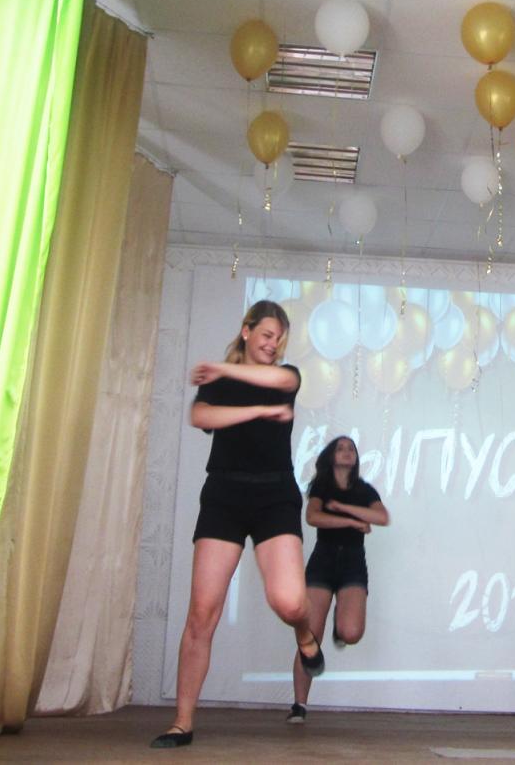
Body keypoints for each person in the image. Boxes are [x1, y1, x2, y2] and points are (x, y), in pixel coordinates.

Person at [151, 300, 325, 749]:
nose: (273, 344)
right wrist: (255, 412)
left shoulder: (284, 376)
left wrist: (224, 370)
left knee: (289, 602)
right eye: (266, 335)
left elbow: (280, 381)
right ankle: (182, 722)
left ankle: (304, 634)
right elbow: (201, 417)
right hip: (224, 496)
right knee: (201, 614)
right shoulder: (222, 382)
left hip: (274, 497)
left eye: (279, 339)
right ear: (246, 331)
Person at [287, 435, 389, 724]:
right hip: (323, 560)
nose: (347, 452)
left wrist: (344, 509)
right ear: (331, 456)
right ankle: (299, 705)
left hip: (353, 563)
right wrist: (354, 521)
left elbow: (381, 517)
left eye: (351, 449)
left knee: (351, 632)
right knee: (310, 637)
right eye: (341, 448)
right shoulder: (321, 486)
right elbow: (313, 517)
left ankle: (339, 623)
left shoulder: (364, 489)